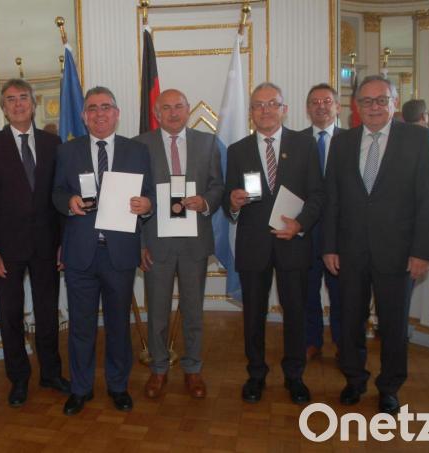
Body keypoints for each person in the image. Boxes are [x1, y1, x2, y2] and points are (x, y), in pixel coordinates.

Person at [323, 75, 429, 415]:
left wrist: (422, 252)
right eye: (366, 101)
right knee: (350, 320)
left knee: (393, 325)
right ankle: (354, 379)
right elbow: (333, 199)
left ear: (393, 102)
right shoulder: (342, 143)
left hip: (399, 254)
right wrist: (329, 246)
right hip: (350, 251)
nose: (373, 107)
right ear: (355, 107)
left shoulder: (417, 138)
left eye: (381, 100)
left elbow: (426, 198)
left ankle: (389, 387)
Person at [52, 86, 155, 416]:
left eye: (106, 107)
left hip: (120, 254)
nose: (99, 114)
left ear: (117, 113)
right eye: (92, 108)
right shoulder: (68, 152)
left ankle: (117, 386)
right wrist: (67, 202)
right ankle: (80, 389)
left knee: (117, 326)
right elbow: (55, 193)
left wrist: (147, 204)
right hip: (81, 254)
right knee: (80, 327)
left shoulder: (137, 151)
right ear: (83, 116)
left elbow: (150, 195)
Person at [222, 82, 324, 405]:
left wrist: (300, 224)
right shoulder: (236, 150)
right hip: (254, 246)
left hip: (293, 243)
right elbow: (228, 199)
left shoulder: (305, 145)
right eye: (258, 105)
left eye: (272, 104)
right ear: (251, 112)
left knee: (295, 313)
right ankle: (256, 374)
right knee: (253, 315)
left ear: (284, 109)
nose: (265, 110)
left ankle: (295, 376)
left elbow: (318, 195)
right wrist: (234, 202)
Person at [0, 79, 70, 407]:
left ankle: (51, 373)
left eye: (23, 99)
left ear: (33, 104)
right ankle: (18, 378)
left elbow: (60, 197)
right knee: (10, 316)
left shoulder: (53, 143)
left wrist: (64, 243)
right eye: (10, 100)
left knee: (48, 313)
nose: (18, 104)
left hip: (47, 246)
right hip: (6, 250)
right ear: (3, 108)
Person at [134, 89, 223, 399]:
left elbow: (217, 186)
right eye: (166, 108)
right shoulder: (141, 144)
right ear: (157, 113)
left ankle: (193, 368)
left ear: (188, 110)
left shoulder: (208, 142)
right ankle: (158, 369)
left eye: (179, 107)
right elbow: (136, 194)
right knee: (157, 310)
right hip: (155, 241)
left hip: (193, 241)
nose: (173, 113)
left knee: (193, 310)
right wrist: (140, 243)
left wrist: (206, 201)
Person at [299, 83, 345, 361]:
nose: (321, 106)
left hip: (341, 235)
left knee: (342, 294)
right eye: (314, 102)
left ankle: (342, 343)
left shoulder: (352, 140)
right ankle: (311, 340)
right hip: (305, 231)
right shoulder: (297, 141)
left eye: (327, 101)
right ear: (307, 109)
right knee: (307, 292)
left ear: (337, 106)